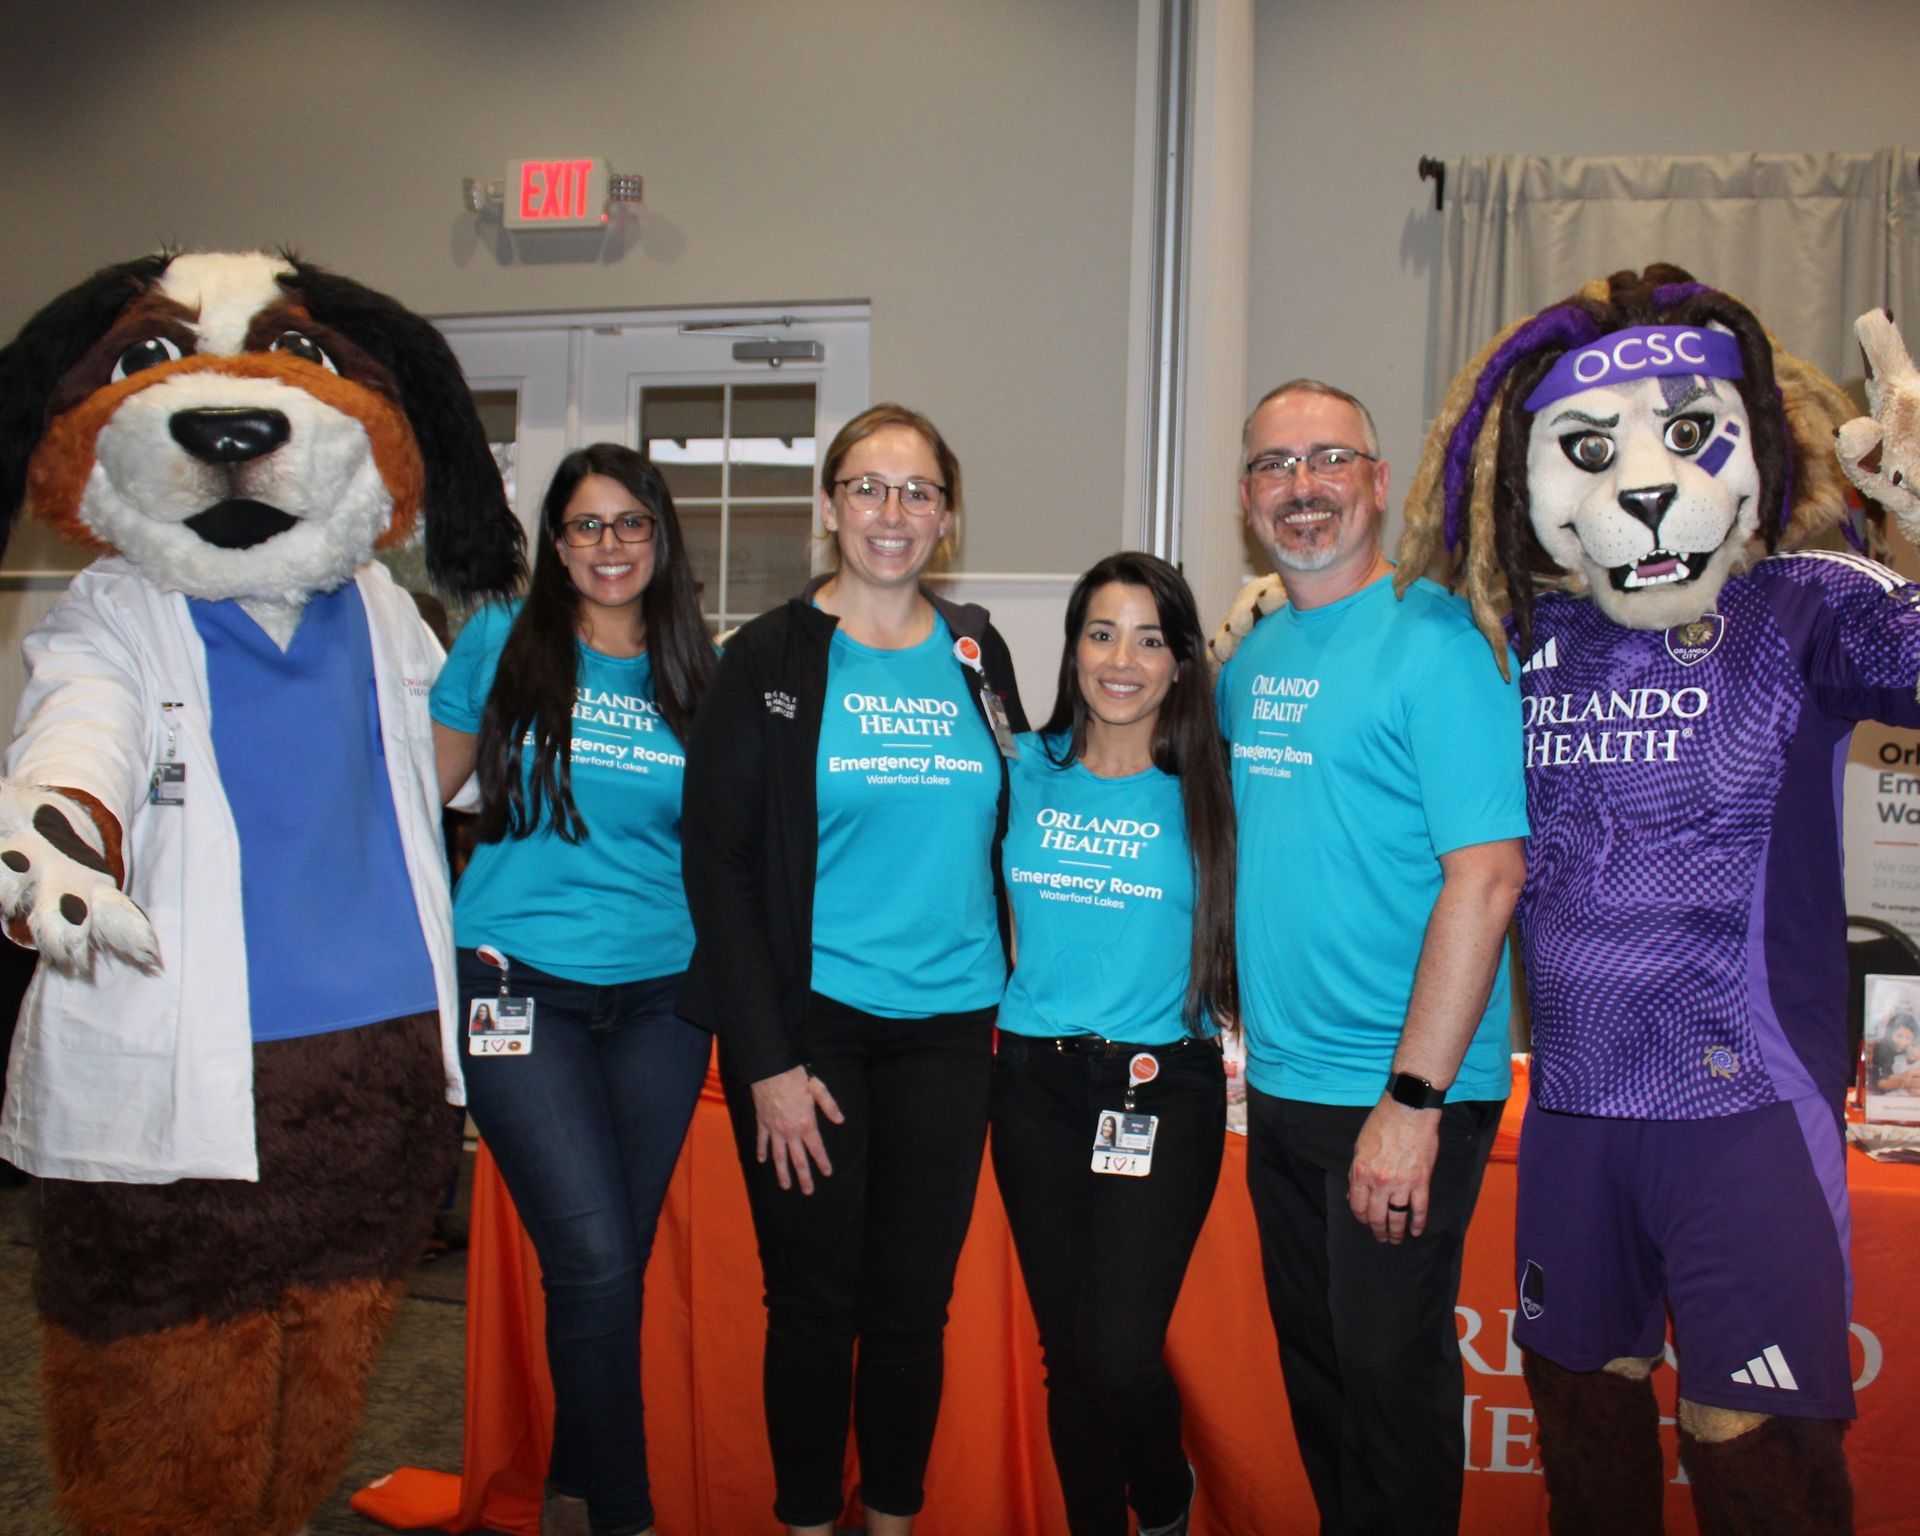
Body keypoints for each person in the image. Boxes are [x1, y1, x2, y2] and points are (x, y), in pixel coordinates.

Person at [679, 403, 1026, 1536]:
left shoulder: (978, 647)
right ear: (829, 508)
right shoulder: (767, 658)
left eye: (918, 491)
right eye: (869, 488)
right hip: (809, 1030)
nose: (894, 512)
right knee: (816, 1308)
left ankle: (891, 1519)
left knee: (913, 1310)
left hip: (950, 1029)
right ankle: (802, 1522)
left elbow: (1017, 818)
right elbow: (719, 867)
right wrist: (766, 1061)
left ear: (948, 515)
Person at [1214, 381, 1528, 1535]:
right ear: (1248, 497)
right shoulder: (1251, 660)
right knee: (1326, 1388)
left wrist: (1411, 1102)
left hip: (1400, 1097)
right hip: (1287, 1093)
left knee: (1389, 1392)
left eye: (1329, 460)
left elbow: (1488, 877)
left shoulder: (1439, 642)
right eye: (1275, 467)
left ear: (1380, 482)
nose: (1304, 488)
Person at [431, 443, 716, 1536]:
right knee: (595, 1259)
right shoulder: (501, 642)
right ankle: (627, 1514)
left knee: (609, 1265)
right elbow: (423, 795)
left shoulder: (701, 673)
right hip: (517, 986)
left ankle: (570, 1487)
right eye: (586, 526)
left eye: (630, 524)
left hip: (660, 1001)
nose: (610, 546)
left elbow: (727, 852)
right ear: (555, 544)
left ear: (661, 538)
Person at [990, 551, 1235, 1536]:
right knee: (1068, 1353)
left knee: (1120, 1349)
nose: (1121, 660)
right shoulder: (1021, 772)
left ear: (1180, 661)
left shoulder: (1216, 792)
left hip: (1159, 1088)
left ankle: (1167, 1508)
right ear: (1073, 648)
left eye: (1148, 638)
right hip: (1034, 1084)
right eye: (1101, 633)